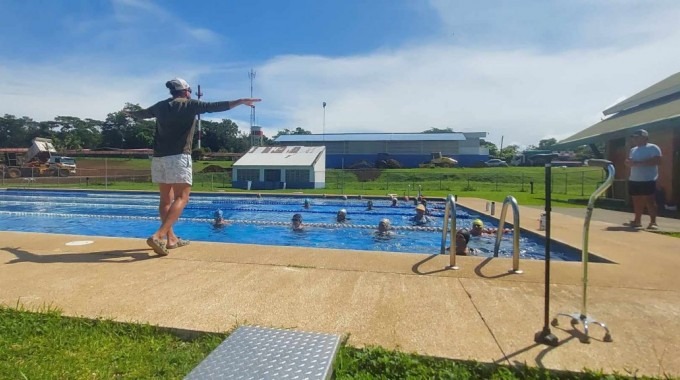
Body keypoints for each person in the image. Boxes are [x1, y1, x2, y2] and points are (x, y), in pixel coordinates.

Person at [126, 77, 261, 255]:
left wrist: (129, 113)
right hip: (179, 156)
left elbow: (142, 114)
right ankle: (158, 235)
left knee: (166, 199)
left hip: (158, 158)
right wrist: (241, 101)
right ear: (186, 91)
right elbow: (215, 106)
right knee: (182, 197)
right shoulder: (189, 105)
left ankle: (171, 239)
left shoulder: (160, 106)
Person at [625, 129, 662, 229]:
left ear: (645, 138)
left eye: (637, 137)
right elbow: (631, 162)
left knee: (650, 201)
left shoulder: (653, 147)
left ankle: (653, 222)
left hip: (648, 179)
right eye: (634, 137)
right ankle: (637, 221)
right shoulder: (633, 150)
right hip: (634, 179)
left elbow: (657, 161)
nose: (635, 139)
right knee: (636, 200)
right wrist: (629, 163)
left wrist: (637, 164)